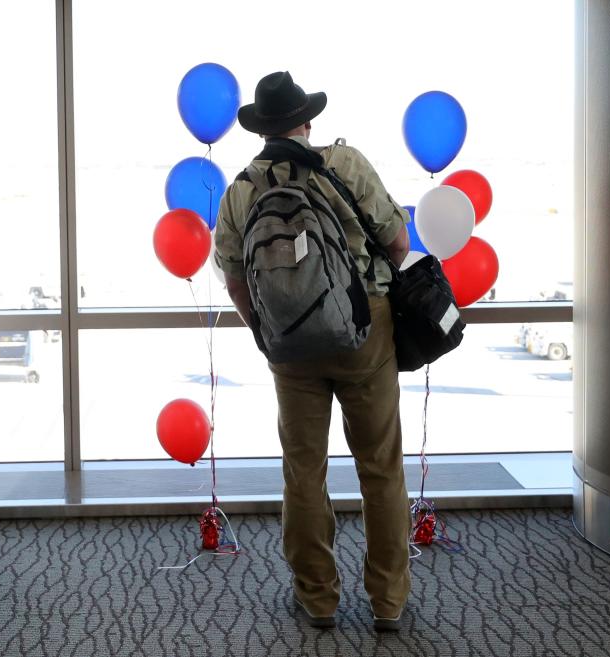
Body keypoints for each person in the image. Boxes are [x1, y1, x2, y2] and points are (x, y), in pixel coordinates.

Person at [213, 71, 412, 632]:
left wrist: (267, 333)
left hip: (288, 345)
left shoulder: (240, 191)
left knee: (303, 471)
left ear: (262, 129)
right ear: (306, 121)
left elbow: (235, 281)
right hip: (364, 332)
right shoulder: (344, 165)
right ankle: (388, 601)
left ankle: (318, 599)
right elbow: (397, 242)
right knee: (379, 467)